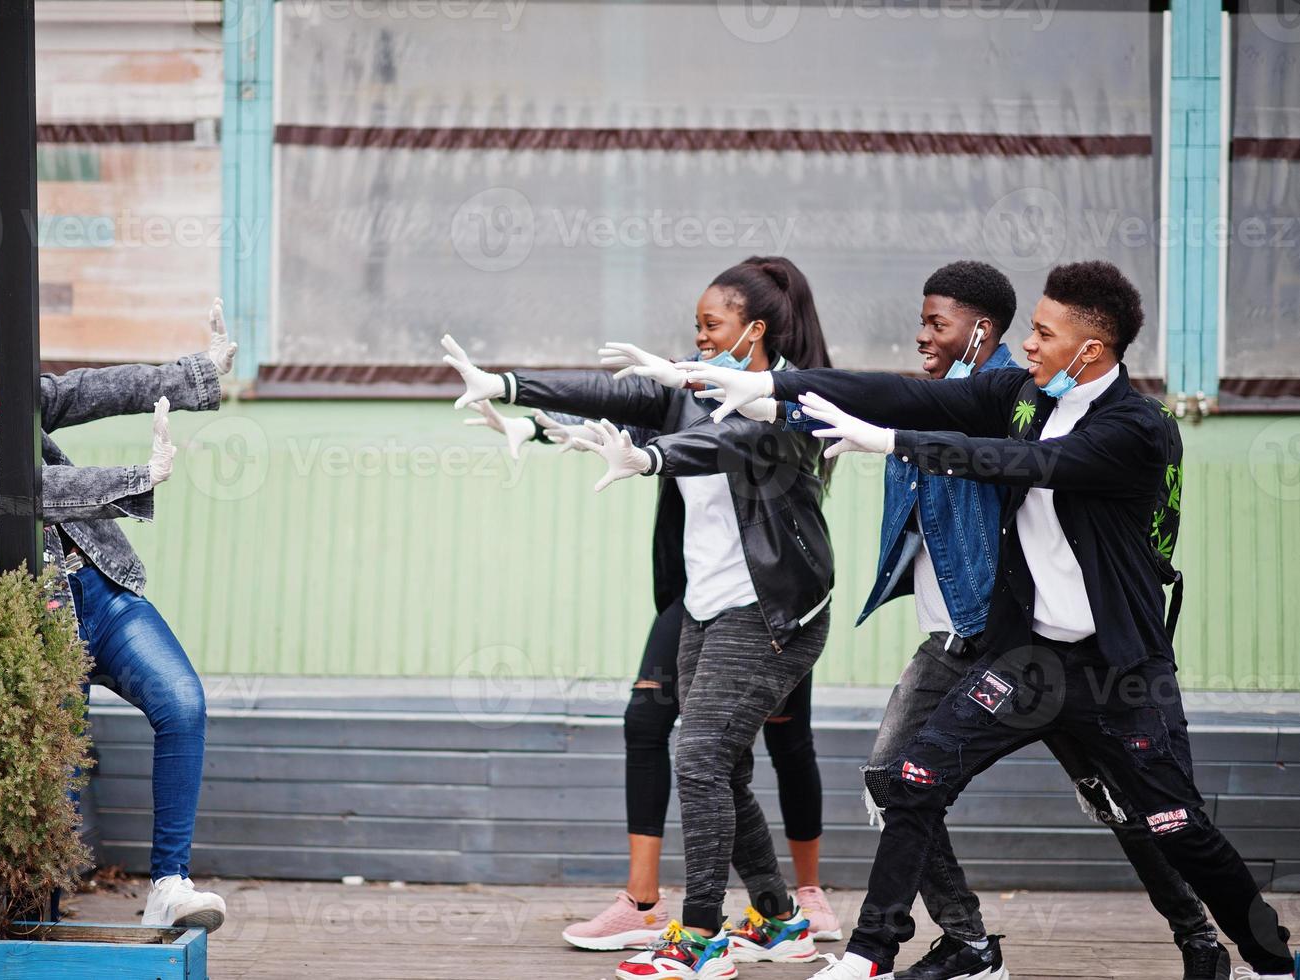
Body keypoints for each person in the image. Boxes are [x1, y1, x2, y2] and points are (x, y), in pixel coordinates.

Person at [678, 261, 1295, 979]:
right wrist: (773, 386)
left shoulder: (1137, 427)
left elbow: (1023, 465)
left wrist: (893, 443)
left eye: (1041, 332)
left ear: (1089, 350)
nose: (1026, 345)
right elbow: (901, 393)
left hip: (1120, 671)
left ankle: (1269, 958)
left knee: (1174, 826)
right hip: (1033, 661)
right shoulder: (1022, 394)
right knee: (911, 777)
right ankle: (871, 953)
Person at [445, 256, 837, 979]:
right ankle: (781, 923)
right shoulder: (687, 387)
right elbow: (605, 393)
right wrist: (509, 390)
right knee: (720, 767)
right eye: (693, 327)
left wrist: (652, 459)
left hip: (775, 610)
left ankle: (700, 938)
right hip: (708, 604)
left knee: (697, 759)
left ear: (753, 331)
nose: (697, 339)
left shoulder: (791, 400)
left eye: (711, 326)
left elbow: (729, 446)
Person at [844, 260, 1222, 980]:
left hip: (1043, 647)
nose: (921, 336)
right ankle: (966, 940)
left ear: (979, 329)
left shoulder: (1029, 407)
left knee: (1127, 804)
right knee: (896, 776)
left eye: (936, 323)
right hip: (960, 642)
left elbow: (1135, 527)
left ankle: (1198, 937)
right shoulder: (943, 400)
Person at [0, 302, 234, 933]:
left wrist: (195, 377)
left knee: (182, 703)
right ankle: (34, 931)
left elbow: (85, 390)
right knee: (59, 785)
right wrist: (139, 476)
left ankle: (167, 885)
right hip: (35, 624)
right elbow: (27, 495)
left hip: (102, 592)